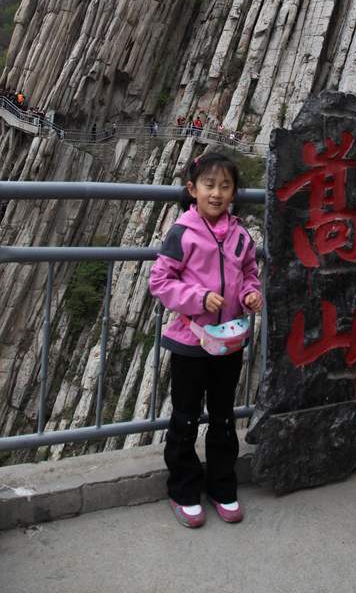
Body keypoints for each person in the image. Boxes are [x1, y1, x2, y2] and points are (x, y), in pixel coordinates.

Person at [150, 152, 263, 527]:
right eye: (209, 185)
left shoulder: (241, 235)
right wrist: (198, 298)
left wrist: (250, 294)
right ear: (192, 189)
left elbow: (249, 274)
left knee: (223, 416)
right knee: (184, 417)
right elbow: (161, 281)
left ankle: (221, 485)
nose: (216, 193)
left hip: (228, 341)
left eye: (225, 186)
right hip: (189, 341)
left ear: (234, 193)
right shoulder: (182, 232)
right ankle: (183, 489)